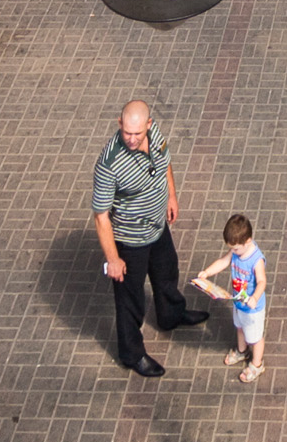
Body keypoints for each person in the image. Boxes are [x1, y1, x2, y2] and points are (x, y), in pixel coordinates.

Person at [90, 98, 208, 378]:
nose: (131, 139)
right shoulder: (110, 164)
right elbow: (101, 216)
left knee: (167, 271)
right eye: (126, 133)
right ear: (120, 124)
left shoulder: (155, 136)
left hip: (157, 227)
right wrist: (113, 258)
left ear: (148, 126)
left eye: (137, 133)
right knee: (131, 300)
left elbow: (165, 164)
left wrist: (172, 195)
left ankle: (171, 315)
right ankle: (132, 354)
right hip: (130, 240)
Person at [195, 214, 268, 384]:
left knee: (255, 338)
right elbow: (223, 261)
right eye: (231, 248)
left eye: (235, 248)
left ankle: (257, 364)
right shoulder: (236, 251)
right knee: (239, 327)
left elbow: (262, 281)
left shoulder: (256, 260)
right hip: (238, 302)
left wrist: (255, 298)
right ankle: (242, 351)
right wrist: (207, 273)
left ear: (248, 241)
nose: (233, 251)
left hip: (252, 308)